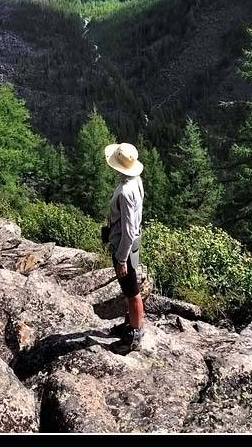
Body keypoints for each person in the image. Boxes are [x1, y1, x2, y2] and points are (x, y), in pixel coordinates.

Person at [102, 142, 145, 351]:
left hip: (124, 246)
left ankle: (134, 336)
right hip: (131, 243)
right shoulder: (136, 181)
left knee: (132, 291)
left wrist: (120, 259)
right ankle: (129, 326)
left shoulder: (126, 191)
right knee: (128, 288)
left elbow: (128, 230)